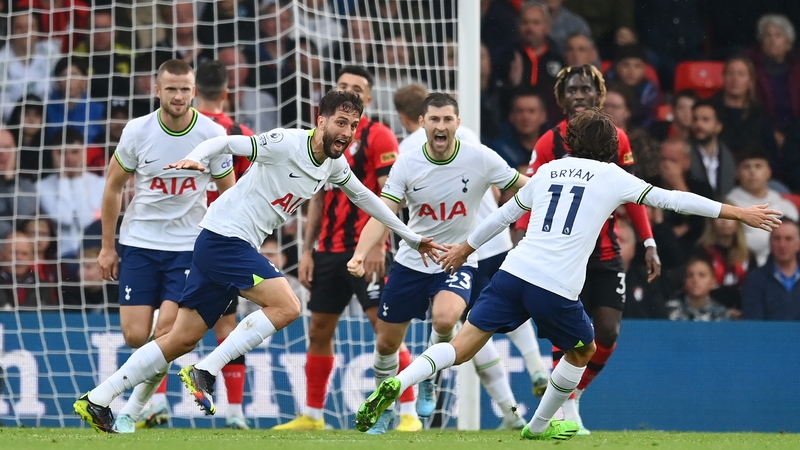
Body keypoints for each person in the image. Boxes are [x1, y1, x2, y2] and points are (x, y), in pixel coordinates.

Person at [354, 108, 781, 440]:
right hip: (554, 285)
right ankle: (539, 426)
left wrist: (466, 247)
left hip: (512, 272)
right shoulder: (614, 176)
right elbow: (674, 199)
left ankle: (398, 382)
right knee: (583, 350)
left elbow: (503, 215)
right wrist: (737, 212)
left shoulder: (547, 171)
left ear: (572, 142)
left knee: (462, 345)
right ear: (610, 146)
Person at [73, 90, 443, 434]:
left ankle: (98, 399)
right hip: (224, 239)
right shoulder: (286, 143)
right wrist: (198, 157)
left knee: (180, 339)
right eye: (340, 123)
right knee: (287, 305)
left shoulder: (333, 165)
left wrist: (411, 236)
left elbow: (368, 199)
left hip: (223, 243)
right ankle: (206, 369)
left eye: (353, 126)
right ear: (321, 120)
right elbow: (226, 142)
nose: (346, 132)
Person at [346, 93, 528, 434]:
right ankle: (384, 410)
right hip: (412, 261)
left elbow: (523, 187)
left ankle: (429, 375)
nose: (441, 126)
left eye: (447, 120)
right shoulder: (407, 163)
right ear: (422, 123)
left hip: (456, 259)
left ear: (458, 123)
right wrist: (360, 253)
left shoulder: (481, 158)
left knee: (446, 319)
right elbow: (383, 214)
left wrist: (559, 189)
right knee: (386, 343)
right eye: (435, 120)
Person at [513, 65, 660, 434]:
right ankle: (563, 410)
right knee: (570, 334)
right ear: (561, 98)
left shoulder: (617, 138)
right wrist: (519, 236)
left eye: (586, 89)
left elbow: (635, 195)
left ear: (600, 95)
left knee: (607, 333)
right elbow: (528, 196)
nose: (579, 95)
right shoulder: (548, 142)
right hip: (561, 253)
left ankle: (572, 395)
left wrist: (648, 242)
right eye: (572, 90)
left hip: (606, 251)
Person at [274, 66, 421, 432]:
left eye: (357, 88)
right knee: (319, 328)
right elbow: (317, 201)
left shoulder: (380, 136)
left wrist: (380, 244)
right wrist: (307, 251)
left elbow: (390, 196)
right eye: (343, 86)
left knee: (384, 329)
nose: (350, 91)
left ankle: (407, 414)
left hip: (366, 249)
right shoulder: (322, 138)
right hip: (328, 250)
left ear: (368, 99)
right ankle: (312, 414)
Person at [92, 59, 236, 434]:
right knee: (135, 335)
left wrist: (228, 246)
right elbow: (113, 187)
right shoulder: (137, 131)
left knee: (166, 335)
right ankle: (143, 403)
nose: (178, 96)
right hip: (139, 243)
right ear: (157, 91)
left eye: (185, 89)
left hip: (188, 247)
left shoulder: (212, 133)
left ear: (194, 91)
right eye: (170, 88)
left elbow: (230, 194)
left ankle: (132, 412)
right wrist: (108, 246)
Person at [394, 83, 549, 400]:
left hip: (457, 250)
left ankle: (506, 407)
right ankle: (535, 369)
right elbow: (494, 187)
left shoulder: (408, 150)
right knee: (501, 309)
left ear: (403, 117)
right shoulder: (470, 138)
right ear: (423, 116)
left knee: (472, 327)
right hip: (495, 241)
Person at [742, 219, 800, 321]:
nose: (782, 245)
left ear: (798, 243)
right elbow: (753, 321)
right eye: (777, 239)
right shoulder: (756, 279)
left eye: (788, 239)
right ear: (770, 243)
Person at [665, 256, 731, 321]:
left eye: (702, 275)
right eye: (690, 275)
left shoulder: (720, 313)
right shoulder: (671, 309)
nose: (695, 280)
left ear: (713, 282)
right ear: (685, 281)